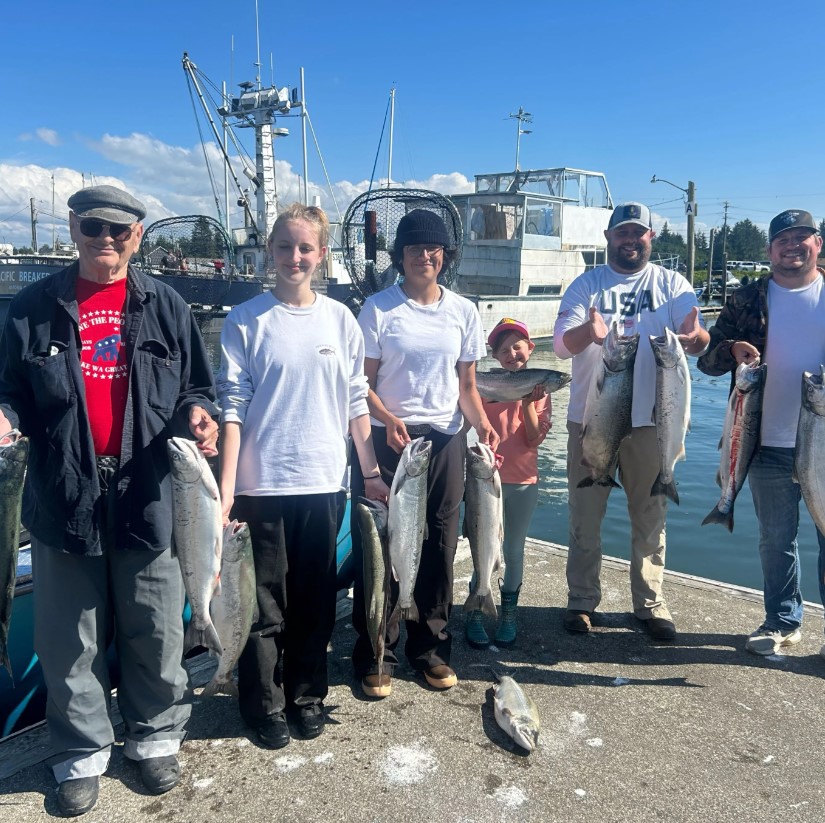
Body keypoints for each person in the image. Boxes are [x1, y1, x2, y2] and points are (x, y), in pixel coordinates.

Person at [0, 185, 219, 817]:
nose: (107, 239)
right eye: (94, 226)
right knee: (70, 639)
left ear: (138, 236)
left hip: (149, 495)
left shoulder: (167, 305)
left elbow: (194, 386)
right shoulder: (32, 307)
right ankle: (81, 755)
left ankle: (154, 738)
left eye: (120, 231)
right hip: (62, 494)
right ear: (73, 227)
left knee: (154, 627)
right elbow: (8, 389)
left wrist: (200, 415)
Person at [216, 203, 389, 750]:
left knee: (315, 597)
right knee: (261, 602)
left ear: (321, 254)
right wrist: (226, 489)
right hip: (260, 486)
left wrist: (372, 471)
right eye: (286, 246)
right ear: (271, 251)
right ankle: (263, 703)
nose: (295, 257)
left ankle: (307, 694)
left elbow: (355, 403)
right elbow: (233, 408)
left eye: (306, 248)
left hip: (322, 482)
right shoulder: (246, 320)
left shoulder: (340, 320)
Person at [350, 208, 499, 699]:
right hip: (390, 440)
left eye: (433, 248)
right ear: (400, 256)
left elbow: (468, 386)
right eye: (414, 248)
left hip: (446, 440)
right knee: (384, 544)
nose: (424, 256)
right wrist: (388, 418)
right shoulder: (378, 310)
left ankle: (430, 648)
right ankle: (377, 649)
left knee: (440, 541)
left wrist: (482, 425)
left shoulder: (463, 311)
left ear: (446, 256)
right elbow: (361, 385)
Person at [553, 202, 709, 641]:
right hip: (593, 420)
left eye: (638, 233)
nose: (630, 240)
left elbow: (697, 340)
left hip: (653, 424)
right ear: (608, 237)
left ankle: (650, 602)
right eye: (622, 232)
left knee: (650, 516)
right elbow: (563, 345)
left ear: (650, 238)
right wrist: (590, 334)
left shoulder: (672, 283)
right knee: (585, 516)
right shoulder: (587, 285)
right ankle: (581, 600)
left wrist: (695, 336)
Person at [697, 209, 825, 657]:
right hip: (763, 441)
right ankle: (783, 619)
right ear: (770, 250)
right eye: (783, 240)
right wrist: (730, 348)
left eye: (802, 238)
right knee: (776, 538)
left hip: (823, 445)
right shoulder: (747, 298)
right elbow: (707, 361)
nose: (793, 246)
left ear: (818, 244)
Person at [465, 318, 551, 649]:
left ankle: (509, 613)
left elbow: (532, 440)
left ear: (530, 348)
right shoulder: (485, 387)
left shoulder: (541, 392)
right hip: (486, 478)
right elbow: (470, 415)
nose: (511, 353)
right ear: (495, 356)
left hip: (523, 481)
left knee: (513, 549)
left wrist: (528, 403)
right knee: (483, 545)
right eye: (504, 349)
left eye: (517, 346)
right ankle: (475, 609)